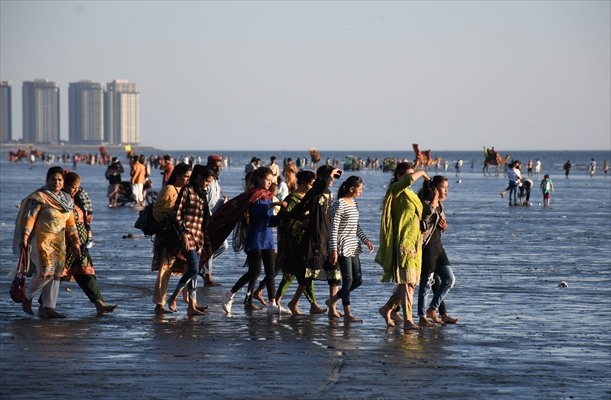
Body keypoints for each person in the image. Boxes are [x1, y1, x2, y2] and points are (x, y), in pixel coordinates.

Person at [13, 167, 80, 318]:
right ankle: (27, 297)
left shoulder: (67, 201)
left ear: (63, 182)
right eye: (53, 179)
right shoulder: (39, 197)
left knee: (57, 274)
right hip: (40, 240)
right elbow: (29, 218)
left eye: (59, 180)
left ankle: (48, 308)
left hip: (58, 242)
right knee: (46, 271)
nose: (56, 182)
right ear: (47, 180)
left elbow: (70, 224)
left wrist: (75, 242)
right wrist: (24, 236)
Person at [222, 167, 287, 312]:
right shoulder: (253, 196)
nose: (269, 183)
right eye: (267, 180)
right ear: (259, 179)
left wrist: (281, 214)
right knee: (254, 272)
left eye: (271, 180)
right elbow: (256, 214)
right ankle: (229, 294)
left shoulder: (269, 196)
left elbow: (270, 220)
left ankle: (272, 303)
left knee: (271, 271)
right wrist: (274, 204)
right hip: (255, 238)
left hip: (268, 238)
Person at [282, 165, 343, 318]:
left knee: (334, 272)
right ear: (321, 177)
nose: (332, 180)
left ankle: (332, 308)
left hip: (328, 236)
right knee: (311, 272)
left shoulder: (328, 193)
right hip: (315, 236)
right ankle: (294, 302)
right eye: (330, 177)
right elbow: (299, 211)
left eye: (334, 178)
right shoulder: (315, 191)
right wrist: (281, 216)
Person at [375, 162, 429, 329]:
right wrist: (421, 172)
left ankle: (386, 308)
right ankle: (408, 320)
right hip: (403, 243)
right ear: (398, 177)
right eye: (407, 175)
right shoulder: (396, 190)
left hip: (415, 242)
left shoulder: (411, 194)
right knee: (406, 282)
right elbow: (408, 181)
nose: (411, 178)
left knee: (412, 282)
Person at [62, 172, 118, 315]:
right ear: (65, 185)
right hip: (64, 243)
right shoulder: (61, 199)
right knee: (56, 275)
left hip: (80, 244)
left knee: (86, 272)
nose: (76, 190)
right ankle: (33, 300)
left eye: (77, 187)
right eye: (73, 187)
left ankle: (100, 304)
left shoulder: (78, 199)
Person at [274, 170, 327, 314]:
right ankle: (307, 304)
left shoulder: (306, 198)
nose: (312, 187)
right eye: (311, 184)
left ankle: (278, 299)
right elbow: (284, 221)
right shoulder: (293, 199)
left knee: (294, 273)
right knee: (304, 271)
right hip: (294, 242)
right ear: (303, 182)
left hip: (303, 240)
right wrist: (301, 224)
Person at [166, 165, 215, 316]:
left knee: (195, 271)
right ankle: (173, 297)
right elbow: (177, 214)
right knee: (193, 269)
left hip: (199, 238)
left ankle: (191, 306)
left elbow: (204, 220)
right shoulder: (187, 191)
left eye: (209, 182)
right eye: (206, 181)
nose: (207, 184)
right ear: (198, 177)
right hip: (188, 237)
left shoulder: (202, 194)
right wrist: (184, 235)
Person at [326, 176, 374, 323]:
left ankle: (332, 300)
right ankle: (348, 313)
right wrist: (333, 250)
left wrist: (365, 240)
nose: (361, 192)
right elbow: (333, 228)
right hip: (342, 245)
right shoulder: (339, 204)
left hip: (353, 245)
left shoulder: (353, 203)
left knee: (358, 280)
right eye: (359, 190)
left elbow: (356, 225)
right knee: (348, 280)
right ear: (351, 189)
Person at [151, 163, 194, 314]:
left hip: (182, 237)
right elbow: (159, 210)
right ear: (177, 175)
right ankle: (160, 304)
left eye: (190, 176)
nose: (188, 179)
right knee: (164, 270)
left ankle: (189, 302)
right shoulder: (169, 189)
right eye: (186, 176)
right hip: (168, 237)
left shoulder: (186, 190)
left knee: (189, 267)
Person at [417, 176, 458, 327]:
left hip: (438, 248)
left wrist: (444, 228)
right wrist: (434, 199)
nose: (446, 191)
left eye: (447, 188)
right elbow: (426, 216)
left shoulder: (440, 205)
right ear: (434, 189)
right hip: (427, 249)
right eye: (443, 188)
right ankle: (422, 316)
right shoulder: (425, 203)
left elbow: (437, 227)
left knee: (449, 279)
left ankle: (432, 309)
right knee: (426, 284)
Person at [200, 155, 229, 286]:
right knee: (211, 247)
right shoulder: (206, 179)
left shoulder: (216, 180)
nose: (218, 168)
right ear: (210, 164)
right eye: (216, 165)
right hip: (207, 218)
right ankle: (207, 277)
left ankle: (202, 267)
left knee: (222, 246)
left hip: (216, 217)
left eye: (220, 165)